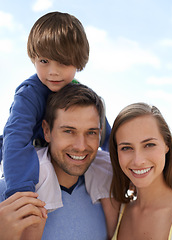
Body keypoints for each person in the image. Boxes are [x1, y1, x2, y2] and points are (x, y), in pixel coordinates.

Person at [0, 11, 111, 200]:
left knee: (103, 166)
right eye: (44, 61)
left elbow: (105, 133)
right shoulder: (29, 94)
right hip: (24, 153)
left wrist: (125, 166)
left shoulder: (81, 95)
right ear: (33, 58)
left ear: (78, 62)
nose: (53, 72)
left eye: (63, 63)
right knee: (38, 167)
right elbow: (16, 138)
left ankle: (114, 228)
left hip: (57, 153)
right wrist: (21, 191)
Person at [0, 83, 118, 239]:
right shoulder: (8, 195)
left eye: (91, 132)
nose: (81, 146)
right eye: (69, 131)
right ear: (47, 131)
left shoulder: (106, 191)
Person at [109, 102, 172, 239]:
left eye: (149, 145)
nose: (138, 161)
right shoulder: (119, 211)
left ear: (166, 145)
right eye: (126, 148)